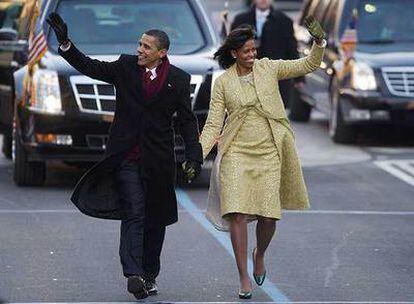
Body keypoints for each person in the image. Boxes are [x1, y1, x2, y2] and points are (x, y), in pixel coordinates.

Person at [46, 13, 202, 300]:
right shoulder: (125, 67)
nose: (139, 50)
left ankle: (149, 274)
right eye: (139, 44)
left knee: (155, 220)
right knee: (134, 211)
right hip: (126, 157)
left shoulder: (179, 79)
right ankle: (133, 273)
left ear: (161, 53)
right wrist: (66, 43)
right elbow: (90, 67)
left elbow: (186, 120)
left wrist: (194, 155)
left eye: (146, 47)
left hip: (159, 161)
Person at [200, 16, 326, 299]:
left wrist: (319, 42)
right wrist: (197, 154)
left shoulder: (268, 68)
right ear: (234, 53)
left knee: (269, 217)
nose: (252, 54)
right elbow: (212, 125)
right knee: (238, 215)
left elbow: (308, 65)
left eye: (254, 50)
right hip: (236, 152)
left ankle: (260, 254)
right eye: (247, 51)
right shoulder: (223, 83)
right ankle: (243, 275)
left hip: (269, 150)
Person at [231, 0, 304, 108]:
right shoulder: (240, 21)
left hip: (275, 81)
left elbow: (292, 50)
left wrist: (299, 78)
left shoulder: (284, 21)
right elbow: (232, 49)